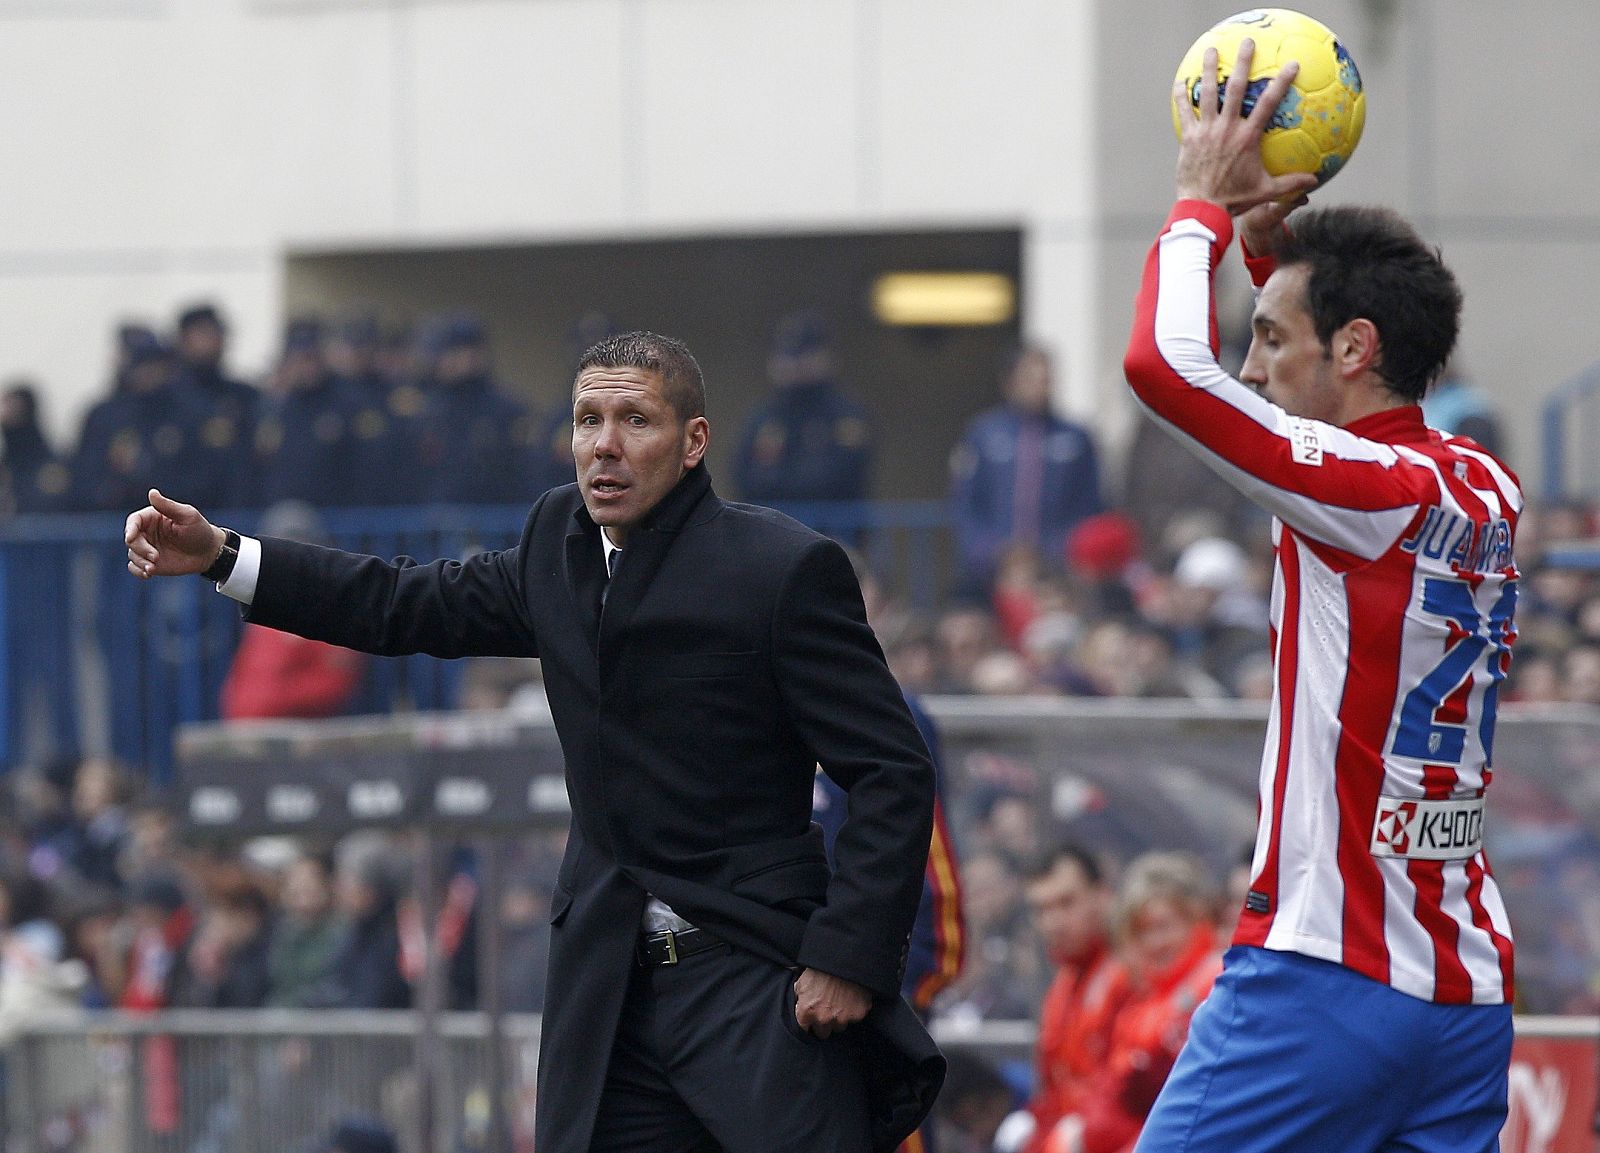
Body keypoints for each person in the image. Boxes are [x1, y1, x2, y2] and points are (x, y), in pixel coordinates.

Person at [124, 329, 941, 1153]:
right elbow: (404, 601)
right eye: (588, 420)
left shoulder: (783, 568)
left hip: (755, 981)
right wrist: (223, 556)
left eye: (635, 420)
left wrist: (848, 954)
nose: (605, 446)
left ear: (694, 442)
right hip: (609, 989)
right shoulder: (559, 541)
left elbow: (892, 770)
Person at [1119, 43, 1521, 1152]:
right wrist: (1270, 250)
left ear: (1354, 348)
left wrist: (1198, 205)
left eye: (1270, 339)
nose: (1250, 367)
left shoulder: (1365, 492)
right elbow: (1331, 355)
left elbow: (1162, 366)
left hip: (1323, 982)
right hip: (1463, 989)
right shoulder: (1482, 482)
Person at [994, 846, 1126, 1153]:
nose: (1053, 922)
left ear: (1103, 895)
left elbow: (1134, 1097)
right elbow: (1054, 1092)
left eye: (1067, 902)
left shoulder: (1132, 973)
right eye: (1041, 909)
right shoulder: (1062, 986)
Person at [948, 343, 1103, 597]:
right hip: (992, 572)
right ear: (1009, 382)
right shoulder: (983, 434)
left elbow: (1090, 505)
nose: (1040, 387)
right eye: (1030, 379)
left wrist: (1056, 551)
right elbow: (967, 503)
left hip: (1057, 570)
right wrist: (991, 552)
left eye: (1046, 379)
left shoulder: (1075, 438)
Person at [732, 310, 875, 505]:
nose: (793, 366)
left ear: (823, 357)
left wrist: (783, 479)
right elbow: (744, 476)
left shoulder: (843, 415)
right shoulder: (764, 417)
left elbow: (845, 475)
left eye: (802, 357)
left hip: (832, 531)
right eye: (786, 357)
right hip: (774, 527)